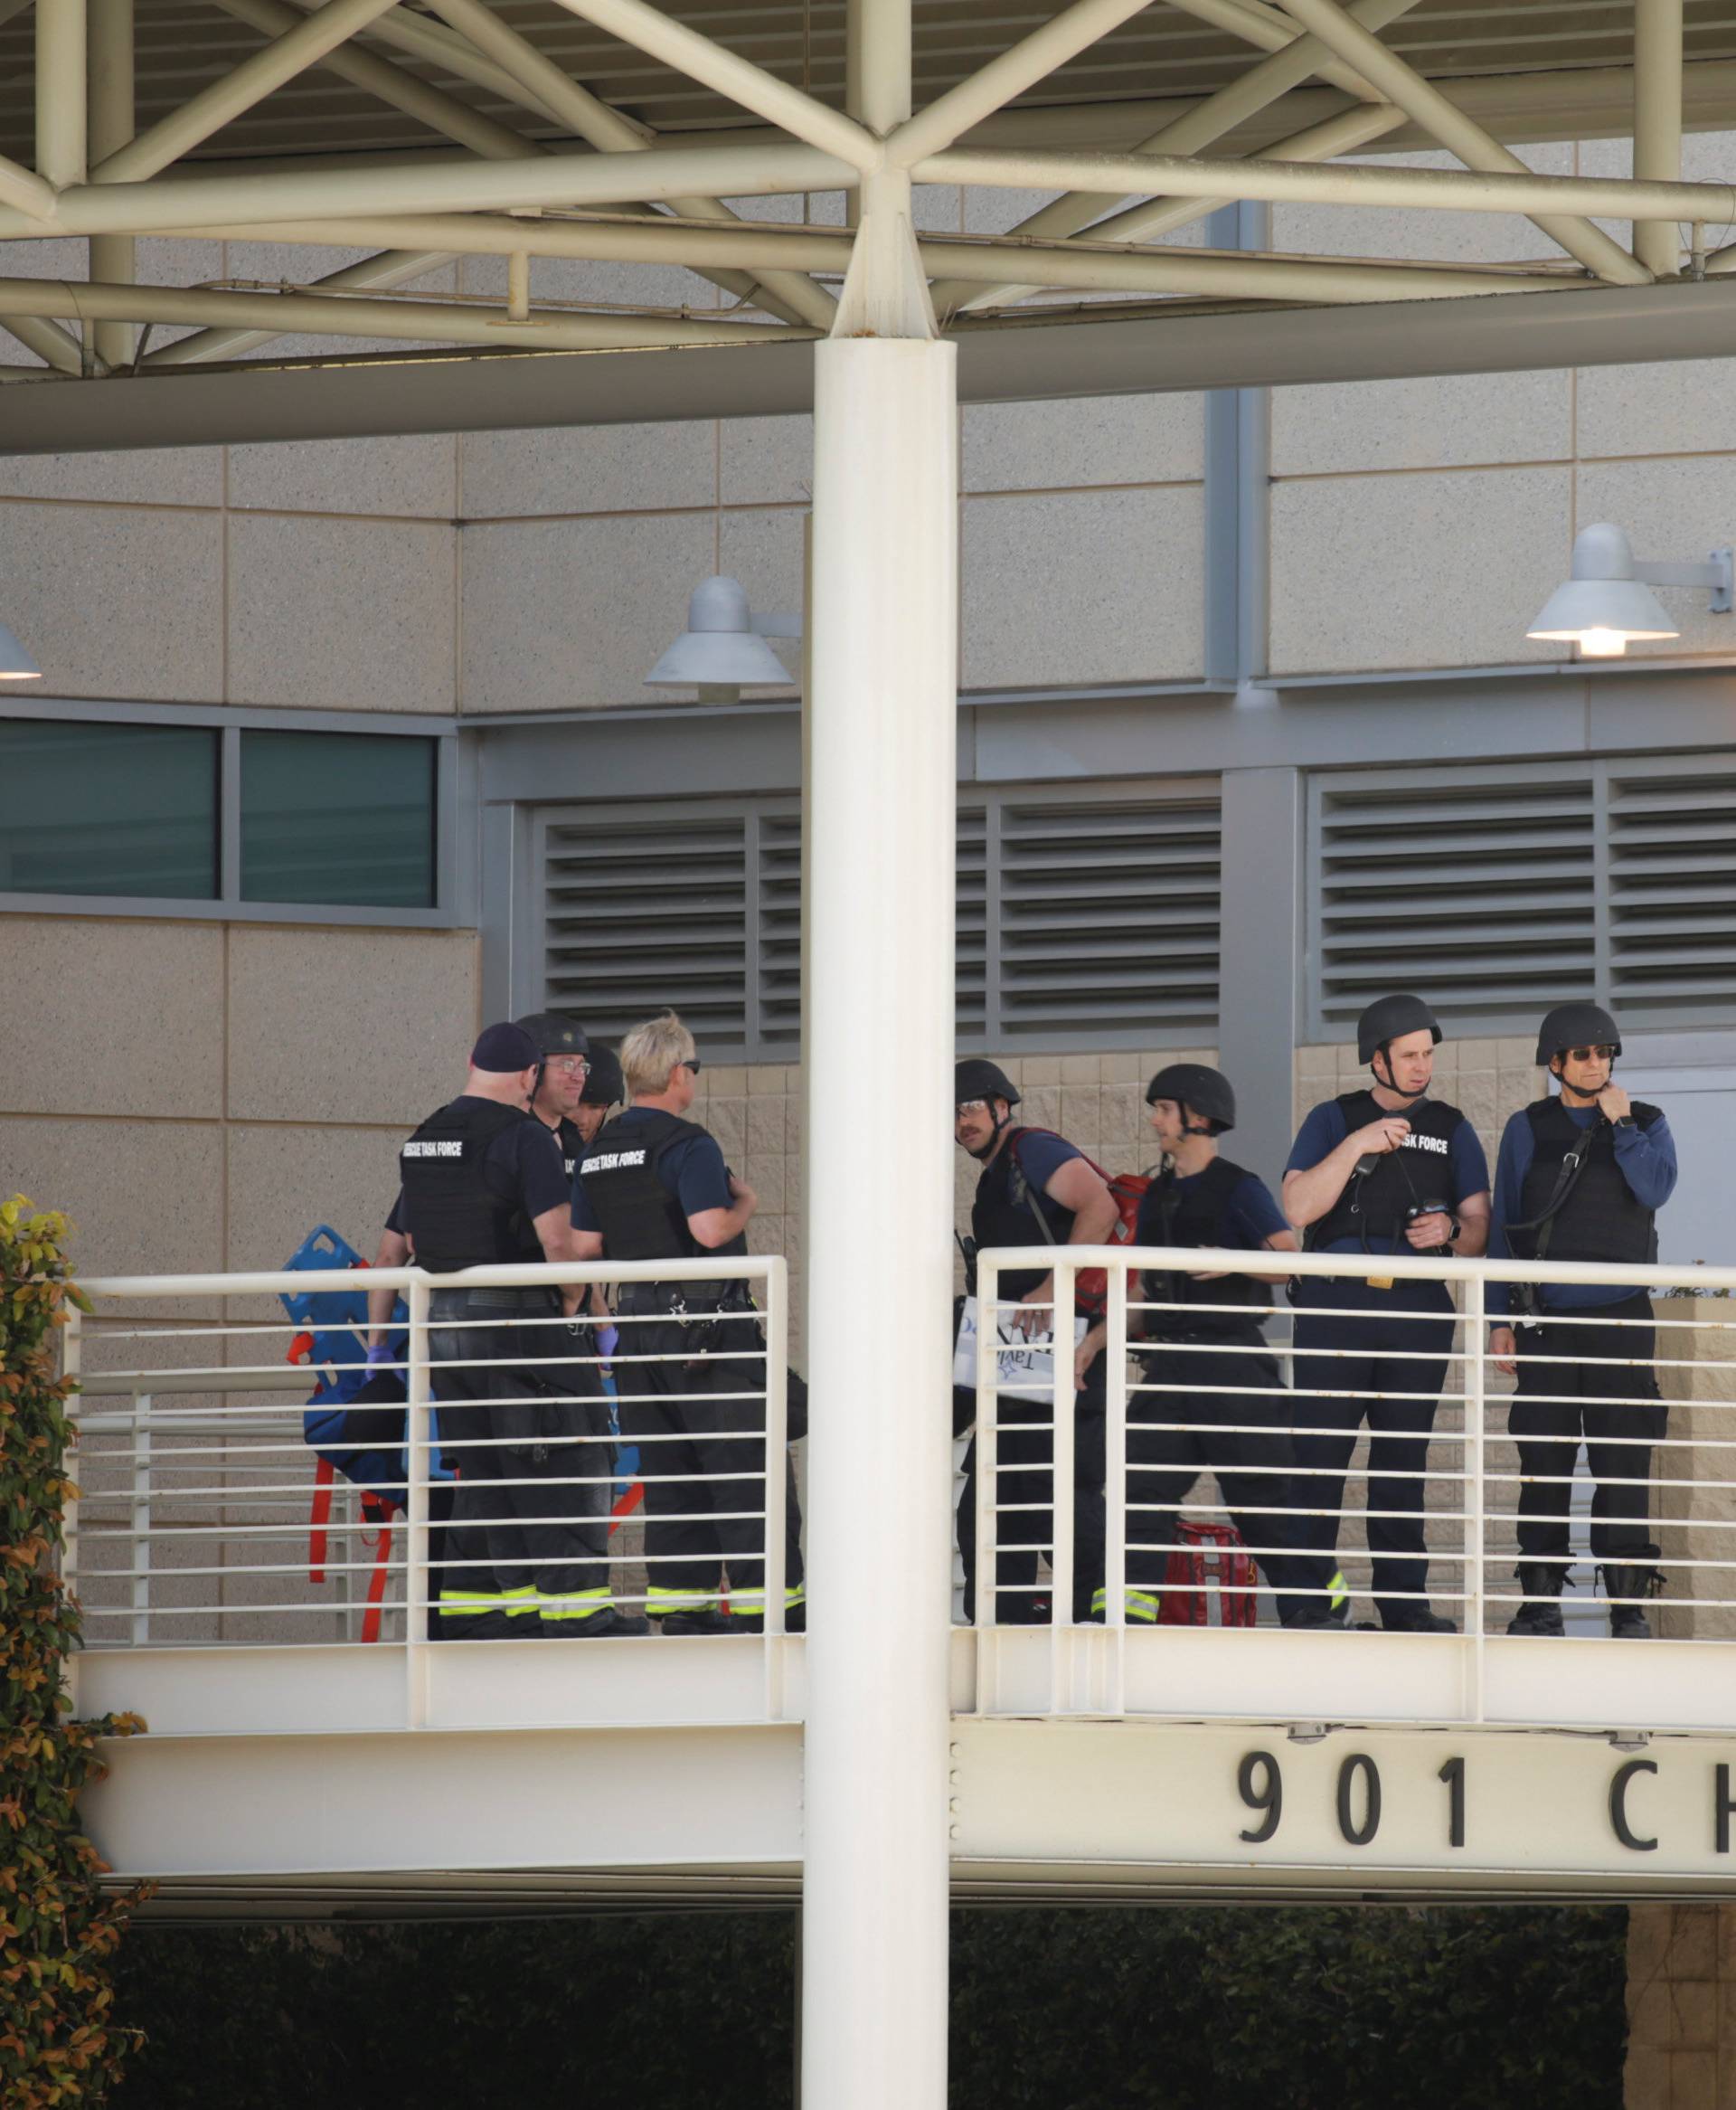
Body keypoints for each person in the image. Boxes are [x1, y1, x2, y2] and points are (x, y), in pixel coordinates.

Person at [396, 1020, 646, 1639]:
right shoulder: (523, 1137)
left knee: (487, 1469)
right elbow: (558, 1242)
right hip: (514, 1319)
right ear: (528, 1075)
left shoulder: (425, 1137)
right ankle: (579, 1610)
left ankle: (476, 1609)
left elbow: (396, 1247)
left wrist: (379, 1345)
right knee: (571, 1450)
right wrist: (574, 1303)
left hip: (443, 1326)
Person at [1075, 1064, 1346, 1629]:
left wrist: (1225, 1262)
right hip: (1170, 1369)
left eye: (1162, 1109)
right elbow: (1143, 1289)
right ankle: (1119, 1630)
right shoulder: (1158, 1196)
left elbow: (1287, 1261)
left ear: (1195, 1117)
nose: (1154, 1120)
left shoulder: (1238, 1186)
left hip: (1232, 1370)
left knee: (1265, 1506)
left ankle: (1318, 1614)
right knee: (1136, 1500)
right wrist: (1096, 1341)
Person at [571, 1009, 805, 1634]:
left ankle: (682, 1611)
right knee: (745, 1474)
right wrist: (745, 1205)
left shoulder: (599, 1151)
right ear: (679, 1073)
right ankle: (772, 1617)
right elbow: (707, 1229)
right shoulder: (689, 1143)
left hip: (639, 1333)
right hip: (706, 1330)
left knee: (670, 1474)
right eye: (693, 1068)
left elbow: (584, 1245)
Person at [1282, 994, 1491, 1634]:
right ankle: (1307, 1604)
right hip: (1336, 1306)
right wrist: (1356, 1144)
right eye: (1408, 1054)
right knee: (1318, 1461)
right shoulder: (1332, 1118)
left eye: (1428, 1053)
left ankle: (1405, 1606)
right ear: (1377, 1059)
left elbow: (1480, 1226)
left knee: (1402, 1465)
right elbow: (1294, 1206)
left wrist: (1451, 1228)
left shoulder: (1453, 1126)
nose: (1422, 1065)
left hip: (1417, 1310)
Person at [1488, 1003, 1677, 1639]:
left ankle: (1628, 1608)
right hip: (1547, 1322)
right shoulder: (1527, 1127)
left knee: (1623, 1468)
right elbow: (1502, 1231)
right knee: (1543, 1464)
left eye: (1605, 1053)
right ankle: (1540, 1603)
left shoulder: (1646, 1121)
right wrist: (1500, 1317)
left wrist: (1621, 1124)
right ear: (1557, 1062)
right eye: (1584, 1054)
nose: (1597, 1063)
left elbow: (1654, 1189)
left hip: (1623, 1322)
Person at [954, 1057, 1118, 1625]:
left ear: (1002, 1107)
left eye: (973, 1106)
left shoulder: (1032, 1150)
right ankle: (1003, 1627)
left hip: (1064, 1359)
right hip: (1015, 1366)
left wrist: (1053, 1286)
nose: (963, 1121)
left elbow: (1103, 1204)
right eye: (955, 1112)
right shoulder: (995, 1176)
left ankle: (1089, 1630)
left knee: (1067, 1504)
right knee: (993, 1507)